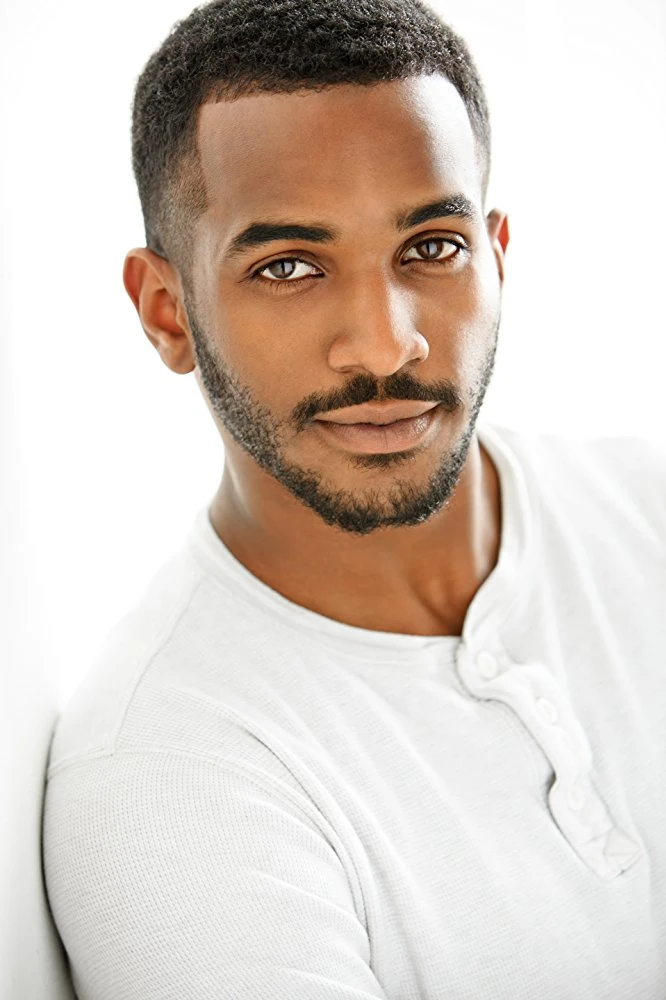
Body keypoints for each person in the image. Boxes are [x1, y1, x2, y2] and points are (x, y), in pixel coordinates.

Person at [41, 0, 666, 997]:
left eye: (433, 248)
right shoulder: (172, 778)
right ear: (168, 312)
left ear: (497, 255)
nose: (385, 344)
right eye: (288, 266)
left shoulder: (647, 507)